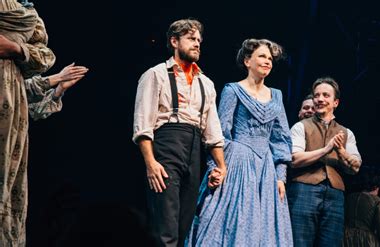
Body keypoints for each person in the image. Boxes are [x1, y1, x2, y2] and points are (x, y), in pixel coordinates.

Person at [186, 38, 293, 246]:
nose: (267, 61)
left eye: (270, 58)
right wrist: (216, 168)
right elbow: (220, 133)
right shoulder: (232, 90)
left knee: (265, 227)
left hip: (266, 170)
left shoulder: (277, 96)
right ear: (247, 61)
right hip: (237, 163)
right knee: (227, 221)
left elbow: (280, 139)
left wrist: (281, 177)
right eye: (262, 56)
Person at [132, 18, 226, 247]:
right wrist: (150, 163)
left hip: (194, 150)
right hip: (166, 144)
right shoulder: (156, 75)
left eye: (199, 41)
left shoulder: (206, 83)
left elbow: (212, 130)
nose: (197, 44)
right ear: (174, 41)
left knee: (184, 225)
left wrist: (221, 167)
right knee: (166, 227)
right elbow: (143, 124)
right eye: (191, 39)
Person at [0, 1, 56, 245]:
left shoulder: (25, 9)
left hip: (10, 97)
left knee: (7, 179)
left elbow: (45, 55)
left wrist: (15, 48)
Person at [288, 77, 362, 247]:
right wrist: (326, 150)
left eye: (326, 95)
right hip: (304, 190)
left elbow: (355, 167)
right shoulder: (301, 127)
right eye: (317, 95)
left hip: (335, 195)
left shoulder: (346, 132)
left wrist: (342, 152)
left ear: (335, 102)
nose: (320, 99)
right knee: (300, 242)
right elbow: (294, 159)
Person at [343, 172, 380, 247]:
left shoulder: (349, 198)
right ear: (376, 187)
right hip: (366, 240)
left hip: (346, 238)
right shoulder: (377, 201)